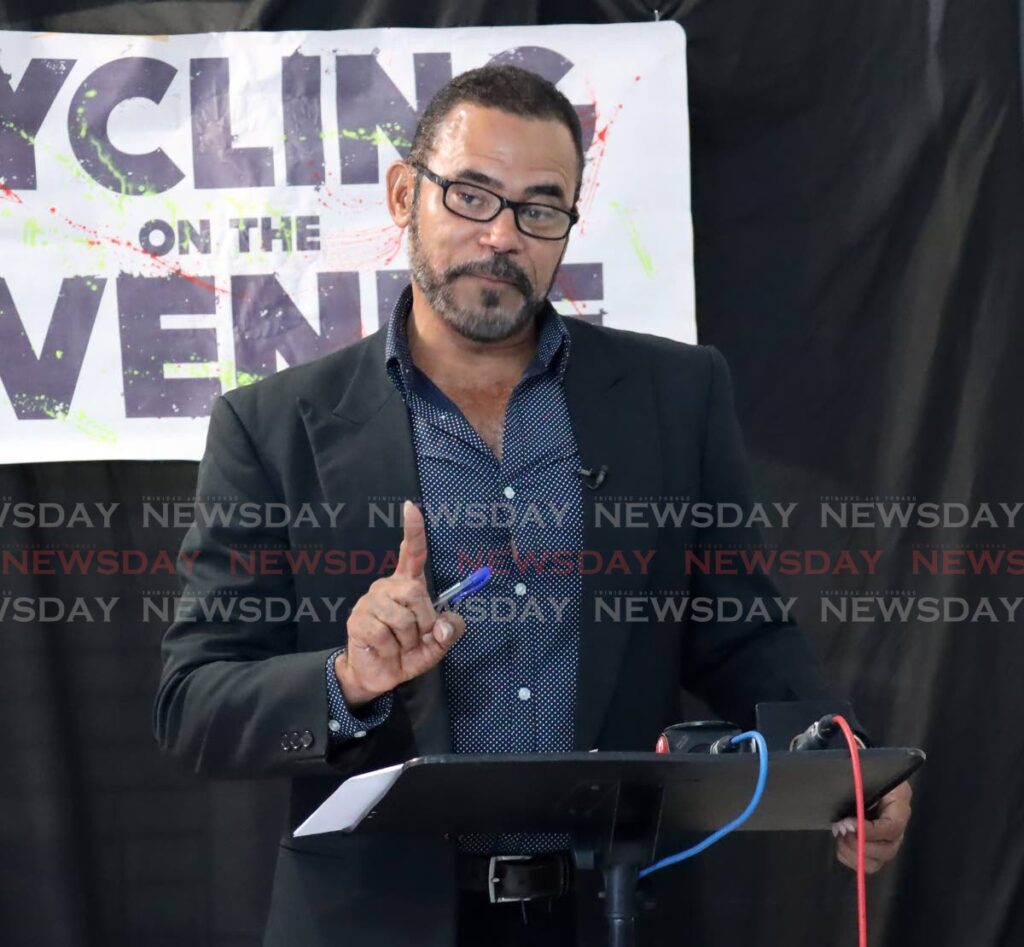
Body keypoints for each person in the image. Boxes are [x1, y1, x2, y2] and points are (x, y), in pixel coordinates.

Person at [153, 65, 911, 946]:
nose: (502, 236)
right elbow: (194, 705)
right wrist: (347, 679)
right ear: (404, 195)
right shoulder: (271, 427)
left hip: (613, 909)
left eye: (539, 209)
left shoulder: (675, 396)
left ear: (567, 226)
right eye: (471, 196)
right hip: (376, 922)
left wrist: (846, 763)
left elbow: (742, 634)